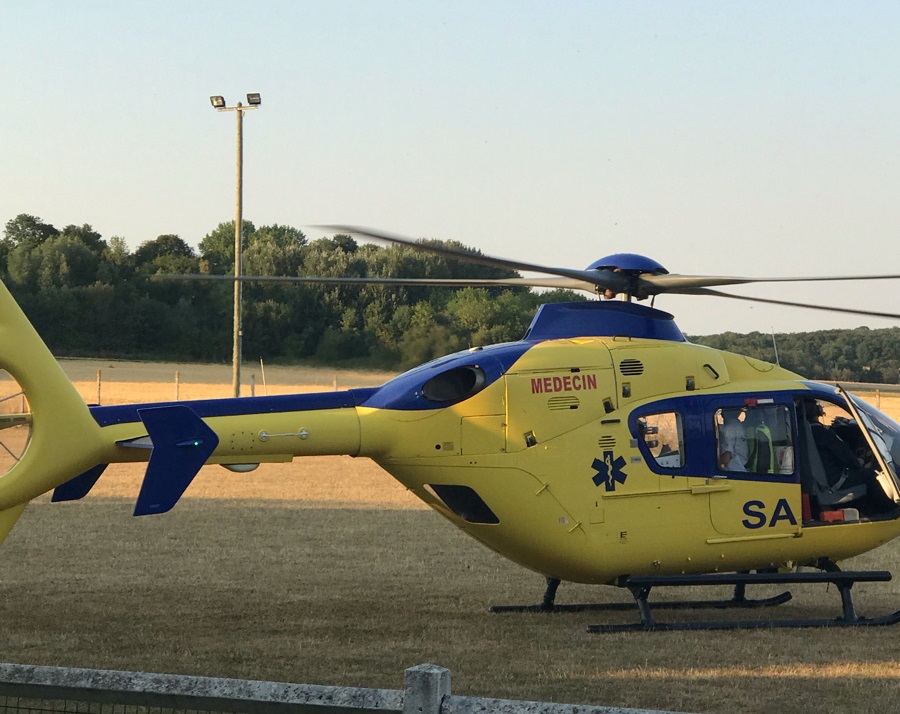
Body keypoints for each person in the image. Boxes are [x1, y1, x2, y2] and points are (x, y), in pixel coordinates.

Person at [803, 400, 874, 493]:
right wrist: (859, 460)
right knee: (874, 475)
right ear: (818, 411)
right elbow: (849, 460)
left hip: (818, 483)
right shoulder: (825, 435)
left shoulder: (803, 433)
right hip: (835, 482)